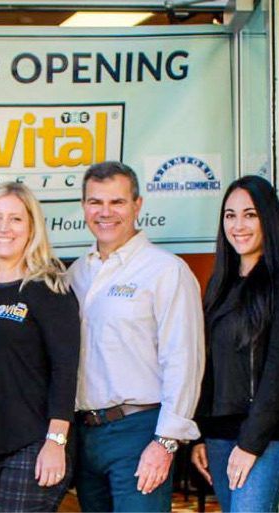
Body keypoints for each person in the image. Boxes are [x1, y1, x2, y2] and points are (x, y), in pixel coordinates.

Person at [68, 161, 205, 512]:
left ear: (137, 205)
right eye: (95, 202)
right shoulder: (76, 274)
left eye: (117, 202)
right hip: (86, 434)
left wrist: (166, 442)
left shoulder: (165, 271)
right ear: (83, 206)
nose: (105, 212)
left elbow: (184, 360)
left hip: (140, 430)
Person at [0, 183, 81, 512]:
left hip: (35, 442)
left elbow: (65, 370)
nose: (4, 228)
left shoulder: (48, 287)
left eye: (15, 219)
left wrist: (56, 442)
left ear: (32, 227)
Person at [190, 175, 279, 512]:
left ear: (268, 219)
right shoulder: (221, 282)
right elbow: (210, 366)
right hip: (219, 434)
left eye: (250, 214)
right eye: (230, 215)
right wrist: (200, 433)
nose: (238, 225)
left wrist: (251, 443)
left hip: (264, 435)